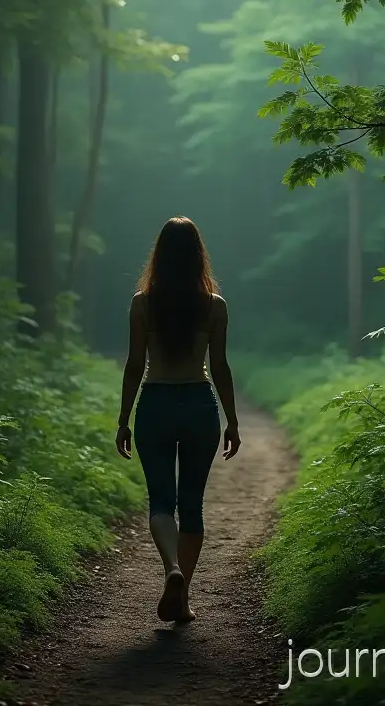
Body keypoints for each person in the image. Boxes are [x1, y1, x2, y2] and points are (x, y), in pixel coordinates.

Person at [114, 216, 241, 623]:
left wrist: (123, 419)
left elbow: (135, 365)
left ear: (160, 255)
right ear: (198, 256)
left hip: (154, 404)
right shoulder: (214, 306)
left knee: (161, 501)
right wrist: (233, 421)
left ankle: (171, 568)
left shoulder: (142, 302)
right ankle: (182, 595)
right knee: (193, 504)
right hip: (198, 406)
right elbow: (218, 366)